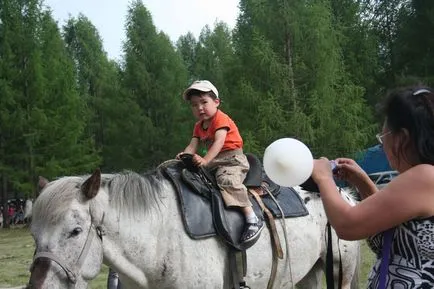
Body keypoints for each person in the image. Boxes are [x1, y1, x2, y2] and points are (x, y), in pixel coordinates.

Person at [311, 85, 434, 288]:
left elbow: (347, 225)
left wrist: (324, 177)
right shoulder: (422, 179)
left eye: (383, 138)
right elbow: (389, 229)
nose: (382, 146)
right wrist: (363, 182)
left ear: (401, 138)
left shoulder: (424, 176)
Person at [177, 80, 264, 243]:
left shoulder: (220, 119)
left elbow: (219, 142)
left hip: (232, 160)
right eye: (194, 105)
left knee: (227, 180)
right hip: (213, 162)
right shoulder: (198, 126)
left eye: (204, 102)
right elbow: (192, 145)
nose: (200, 108)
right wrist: (185, 155)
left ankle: (252, 218)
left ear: (216, 102)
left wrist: (205, 159)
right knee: (193, 180)